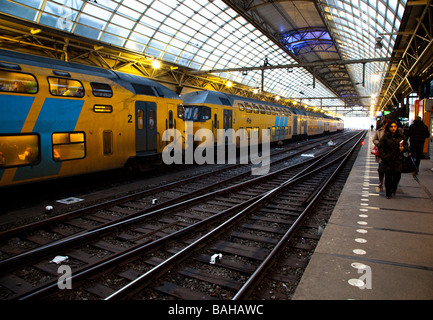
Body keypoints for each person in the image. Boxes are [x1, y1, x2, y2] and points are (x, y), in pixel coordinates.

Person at [378, 120, 408, 199]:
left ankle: (394, 187)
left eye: (395, 126)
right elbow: (380, 147)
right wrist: (384, 156)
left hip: (398, 160)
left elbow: (406, 147)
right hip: (388, 160)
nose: (393, 128)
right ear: (389, 128)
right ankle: (388, 193)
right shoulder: (385, 137)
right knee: (388, 177)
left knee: (397, 177)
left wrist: (403, 148)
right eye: (391, 127)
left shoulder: (401, 136)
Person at [372, 118, 390, 188]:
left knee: (389, 168)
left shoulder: (393, 132)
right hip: (381, 152)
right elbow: (374, 140)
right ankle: (381, 181)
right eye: (386, 124)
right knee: (381, 168)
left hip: (390, 152)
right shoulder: (379, 131)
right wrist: (379, 143)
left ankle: (388, 182)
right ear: (383, 124)